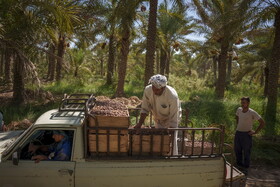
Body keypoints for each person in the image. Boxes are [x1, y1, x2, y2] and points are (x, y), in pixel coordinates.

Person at [134, 74, 181, 155]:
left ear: (163, 88)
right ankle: (160, 157)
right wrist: (140, 124)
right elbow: (145, 108)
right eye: (153, 88)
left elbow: (174, 118)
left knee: (171, 142)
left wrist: (170, 132)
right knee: (159, 140)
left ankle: (173, 157)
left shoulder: (172, 96)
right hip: (158, 118)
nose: (155, 91)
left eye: (157, 90)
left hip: (171, 118)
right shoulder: (148, 90)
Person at [234, 97, 265, 169]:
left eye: (244, 103)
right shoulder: (239, 109)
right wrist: (238, 125)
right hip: (238, 133)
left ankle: (246, 167)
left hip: (247, 134)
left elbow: (262, 122)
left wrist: (255, 132)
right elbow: (237, 117)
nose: (242, 104)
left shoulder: (252, 112)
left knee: (246, 151)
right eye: (241, 102)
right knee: (237, 150)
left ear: (248, 103)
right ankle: (239, 166)